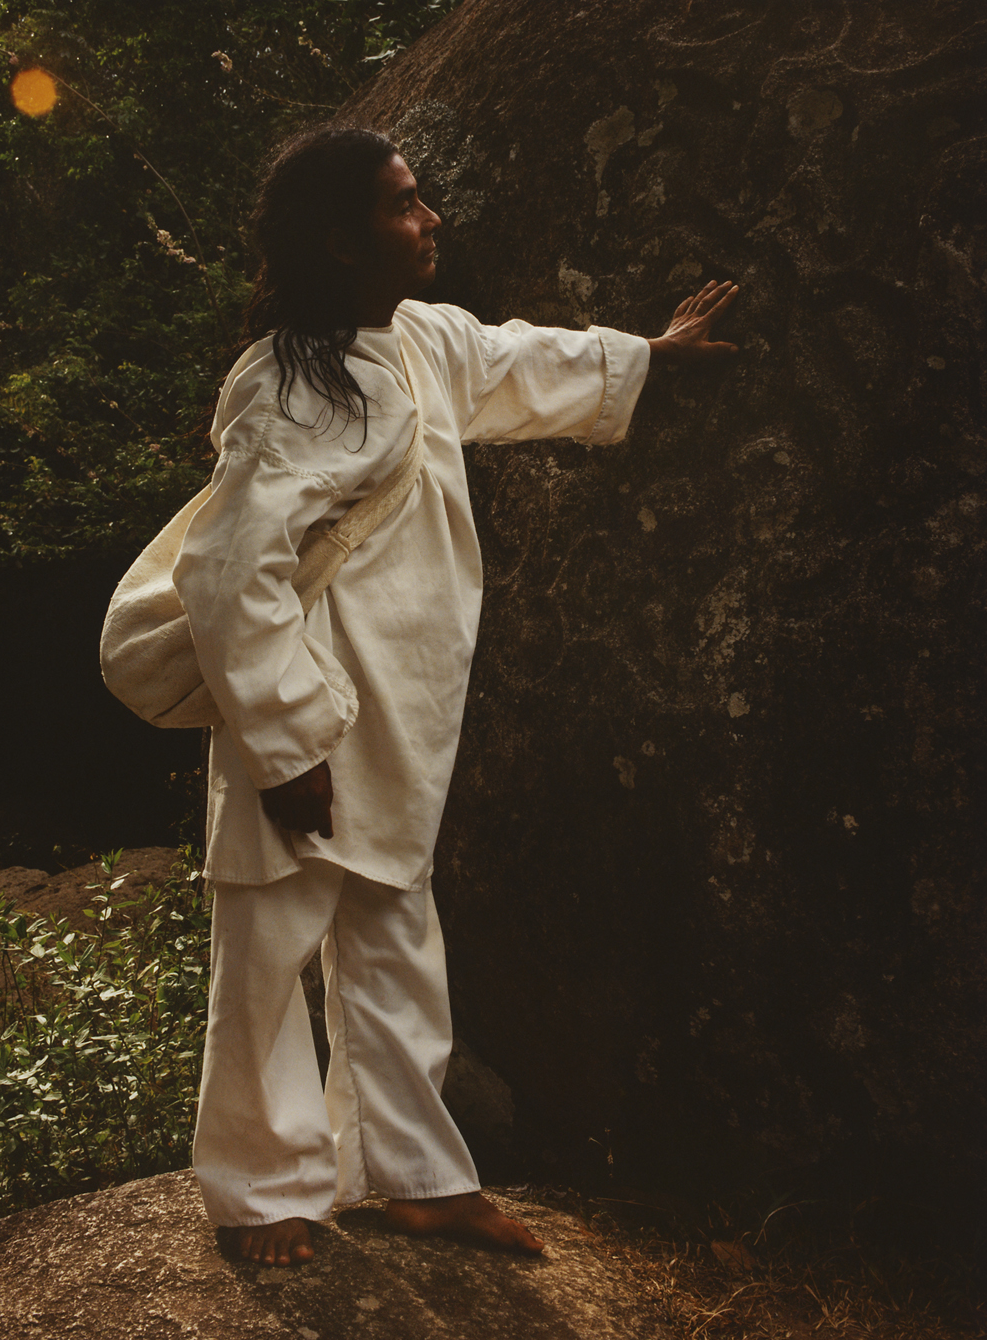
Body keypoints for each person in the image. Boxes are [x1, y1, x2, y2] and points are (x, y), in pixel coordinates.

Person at [173, 127, 738, 1267]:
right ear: (340, 242)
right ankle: (264, 1192)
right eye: (402, 204)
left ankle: (414, 1176)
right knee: (270, 943)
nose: (428, 218)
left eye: (419, 198)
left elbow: (517, 360)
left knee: (391, 921)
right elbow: (226, 568)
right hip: (305, 706)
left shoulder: (421, 339)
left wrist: (645, 355)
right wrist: (284, 741)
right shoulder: (282, 380)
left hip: (402, 702)